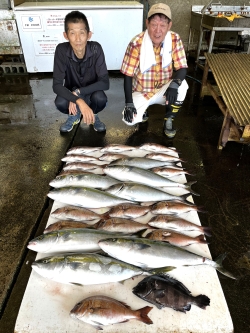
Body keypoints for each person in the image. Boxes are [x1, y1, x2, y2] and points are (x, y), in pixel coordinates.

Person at [120, 3, 188, 138]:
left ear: (169, 26)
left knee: (183, 85)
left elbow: (182, 67)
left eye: (163, 25)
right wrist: (129, 103)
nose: (158, 30)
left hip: (164, 91)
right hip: (142, 91)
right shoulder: (136, 43)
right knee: (129, 120)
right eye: (154, 24)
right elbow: (127, 75)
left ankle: (169, 118)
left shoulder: (175, 39)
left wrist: (174, 86)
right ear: (147, 23)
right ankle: (143, 110)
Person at [53, 10, 109, 133]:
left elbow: (105, 82)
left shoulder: (96, 48)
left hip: (91, 92)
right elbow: (56, 85)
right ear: (66, 35)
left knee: (100, 98)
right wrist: (77, 99)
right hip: (71, 94)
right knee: (60, 101)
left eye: (82, 33)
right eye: (72, 33)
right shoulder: (61, 50)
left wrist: (78, 92)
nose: (78, 39)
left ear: (89, 35)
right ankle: (74, 116)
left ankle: (93, 114)